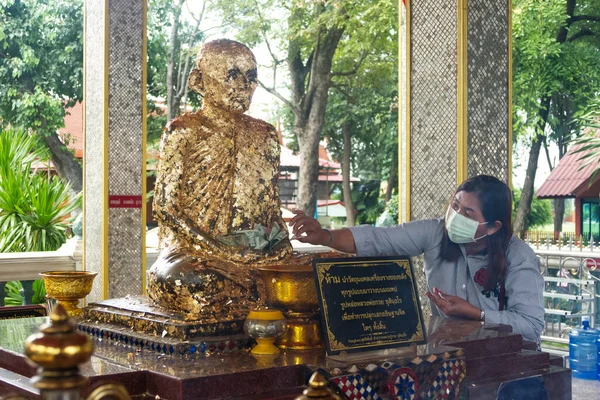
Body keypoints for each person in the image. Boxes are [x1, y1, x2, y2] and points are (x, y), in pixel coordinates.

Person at [290, 175, 544, 344]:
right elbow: (379, 240)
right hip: (452, 354)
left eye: (468, 212)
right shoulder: (435, 232)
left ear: (493, 227)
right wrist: (325, 236)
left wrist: (475, 313)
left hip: (509, 359)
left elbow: (531, 325)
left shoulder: (518, 256)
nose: (455, 216)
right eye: (455, 206)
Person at [147, 39, 292, 319]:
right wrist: (220, 252)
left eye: (251, 77)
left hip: (255, 252)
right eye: (233, 75)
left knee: (317, 273)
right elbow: (167, 209)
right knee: (188, 281)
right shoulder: (183, 132)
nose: (244, 86)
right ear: (199, 81)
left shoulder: (266, 135)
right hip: (194, 254)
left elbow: (272, 209)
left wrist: (279, 242)